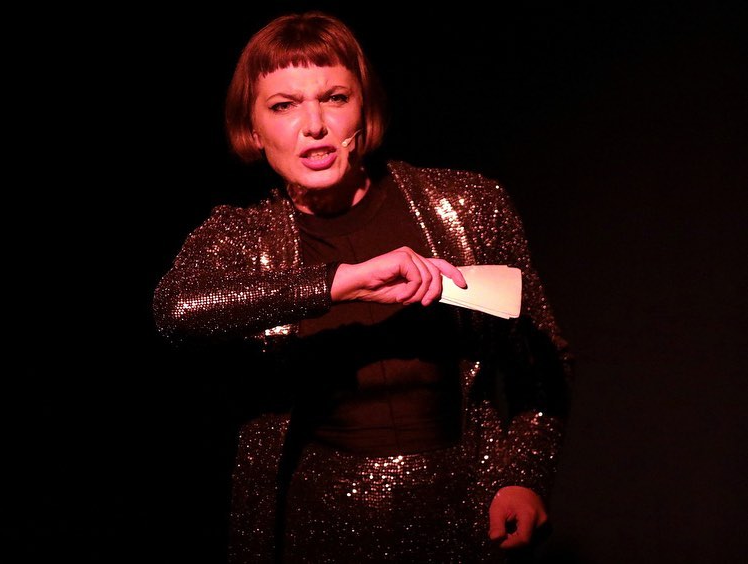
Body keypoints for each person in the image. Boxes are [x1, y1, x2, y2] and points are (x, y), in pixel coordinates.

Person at [152, 11, 571, 563]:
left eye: (334, 98)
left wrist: (523, 477)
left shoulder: (468, 205)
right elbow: (176, 312)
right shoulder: (240, 233)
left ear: (364, 110)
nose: (314, 125)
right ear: (252, 131)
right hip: (312, 518)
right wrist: (341, 282)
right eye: (284, 106)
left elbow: (543, 361)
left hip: (462, 508)